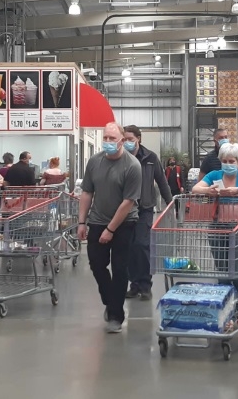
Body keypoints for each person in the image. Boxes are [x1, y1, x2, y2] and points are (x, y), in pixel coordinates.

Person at [78, 122, 142, 333]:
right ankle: (110, 301)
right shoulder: (94, 162)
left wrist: (111, 229)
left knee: (120, 267)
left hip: (124, 223)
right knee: (96, 264)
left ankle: (116, 315)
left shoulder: (132, 166)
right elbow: (87, 193)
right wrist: (81, 222)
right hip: (97, 220)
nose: (107, 142)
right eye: (105, 138)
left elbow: (128, 202)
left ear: (121, 141)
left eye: (111, 139)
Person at [191, 142, 238, 311]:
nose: (228, 164)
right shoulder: (214, 175)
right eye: (225, 161)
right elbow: (196, 188)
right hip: (218, 226)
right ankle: (224, 305)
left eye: (232, 161)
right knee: (222, 270)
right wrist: (209, 191)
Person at [123, 125, 172, 300]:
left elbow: (161, 180)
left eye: (130, 139)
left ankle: (145, 285)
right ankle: (134, 284)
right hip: (125, 209)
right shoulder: (121, 158)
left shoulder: (150, 158)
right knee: (129, 248)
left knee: (142, 245)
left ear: (139, 139)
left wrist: (170, 202)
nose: (127, 142)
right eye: (125, 139)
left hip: (144, 208)